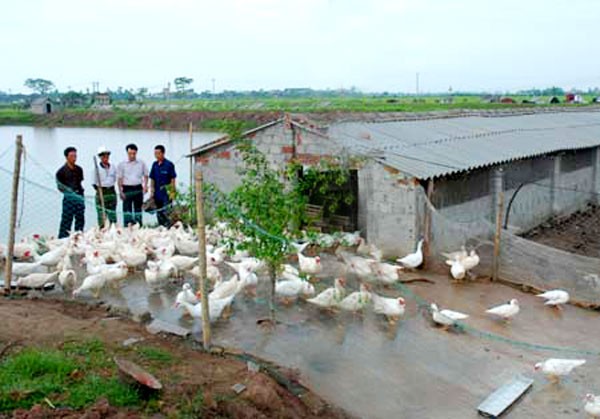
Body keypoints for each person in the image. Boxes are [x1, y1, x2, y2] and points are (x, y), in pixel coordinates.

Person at [55, 146, 85, 239]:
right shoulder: (61, 172)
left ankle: (78, 237)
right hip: (69, 198)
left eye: (75, 156)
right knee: (66, 219)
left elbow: (80, 182)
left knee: (80, 218)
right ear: (66, 157)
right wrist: (69, 193)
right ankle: (63, 238)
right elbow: (60, 187)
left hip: (79, 196)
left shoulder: (79, 169)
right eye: (72, 156)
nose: (74, 158)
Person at [117, 143, 148, 226]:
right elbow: (119, 178)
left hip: (138, 187)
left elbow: (146, 175)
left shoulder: (141, 163)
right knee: (127, 210)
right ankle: (127, 226)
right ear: (127, 153)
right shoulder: (122, 164)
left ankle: (138, 225)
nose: (132, 156)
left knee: (138, 209)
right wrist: (120, 191)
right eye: (130, 154)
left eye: (134, 154)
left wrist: (145, 186)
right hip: (127, 188)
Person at [149, 144, 177, 227]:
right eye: (155, 153)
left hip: (166, 194)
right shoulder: (154, 165)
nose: (156, 155)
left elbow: (173, 179)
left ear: (163, 153)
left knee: (167, 211)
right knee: (159, 211)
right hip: (157, 193)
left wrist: (172, 192)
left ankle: (168, 226)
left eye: (158, 153)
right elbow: (152, 179)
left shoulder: (169, 165)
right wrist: (152, 191)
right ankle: (160, 226)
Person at [91, 145, 117, 227]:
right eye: (103, 155)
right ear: (100, 157)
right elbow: (94, 183)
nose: (106, 157)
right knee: (101, 214)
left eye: (107, 155)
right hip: (101, 191)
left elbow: (115, 178)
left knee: (112, 213)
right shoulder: (96, 168)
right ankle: (102, 230)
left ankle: (113, 229)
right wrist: (100, 191)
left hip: (111, 191)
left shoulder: (112, 167)